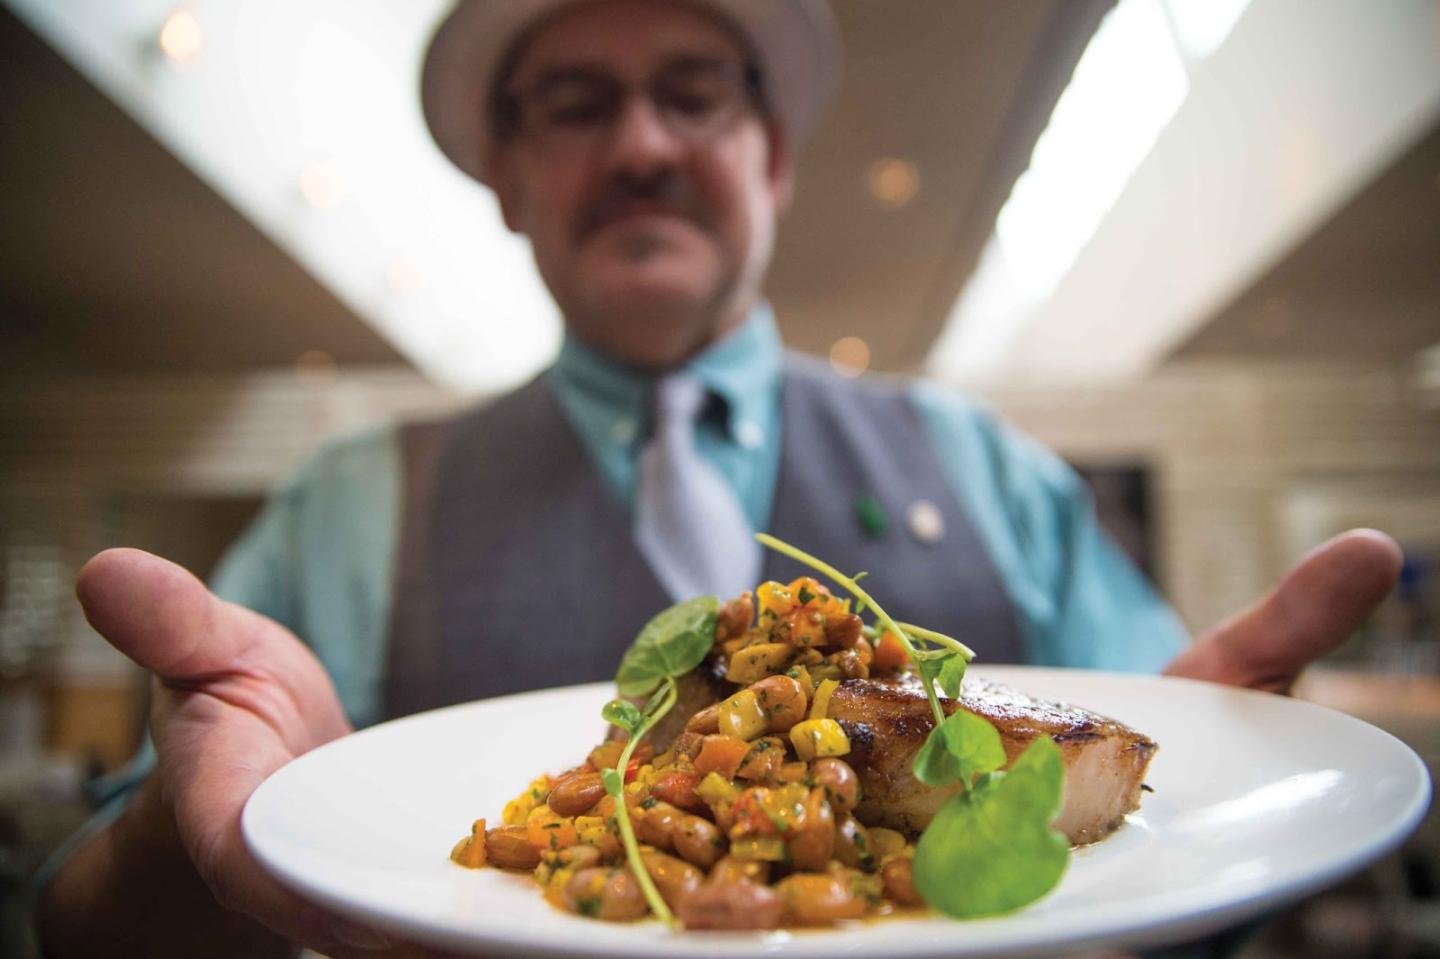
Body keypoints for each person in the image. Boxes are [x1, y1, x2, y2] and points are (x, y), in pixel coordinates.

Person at [34, 0, 1401, 955]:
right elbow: (83, 924)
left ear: (775, 153)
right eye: (575, 103)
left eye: (692, 92)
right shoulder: (345, 505)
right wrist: (184, 836)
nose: (641, 146)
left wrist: (1221, 816)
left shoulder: (984, 464)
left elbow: (1173, 812)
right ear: (505, 175)